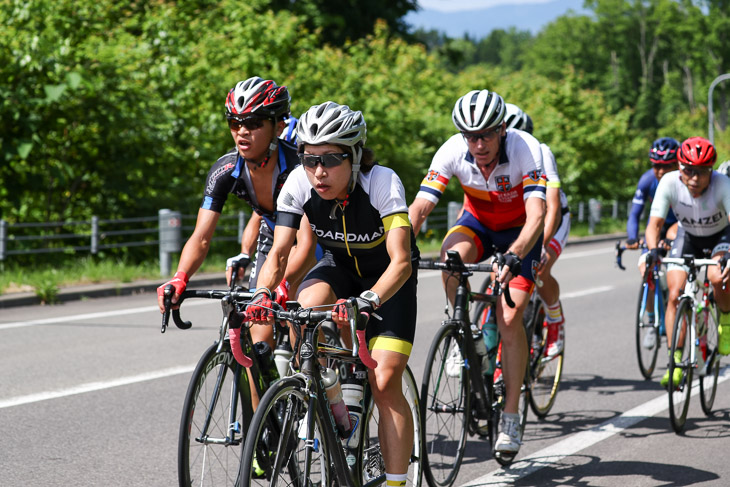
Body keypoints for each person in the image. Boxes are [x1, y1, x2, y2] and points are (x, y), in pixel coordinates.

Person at [247, 102, 419, 487]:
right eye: (310, 159)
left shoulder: (382, 182)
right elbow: (278, 253)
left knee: (385, 378)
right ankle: (332, 396)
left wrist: (369, 300)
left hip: (387, 280)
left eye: (331, 159)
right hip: (339, 270)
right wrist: (261, 293)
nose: (319, 172)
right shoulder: (299, 183)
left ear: (355, 156)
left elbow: (401, 261)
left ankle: (395, 481)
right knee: (302, 311)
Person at [409, 90, 546, 456]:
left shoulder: (525, 148)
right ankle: (464, 331)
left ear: (502, 129)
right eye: (471, 136)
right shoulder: (453, 149)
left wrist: (515, 255)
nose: (479, 143)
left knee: (509, 316)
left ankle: (512, 417)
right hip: (479, 224)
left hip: (521, 233)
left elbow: (537, 217)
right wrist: (399, 247)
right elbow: (421, 207)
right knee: (451, 256)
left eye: (486, 134)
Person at [156, 76, 316, 346]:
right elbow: (201, 237)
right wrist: (180, 277)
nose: (242, 131)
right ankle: (265, 388)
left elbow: (307, 245)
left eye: (254, 124)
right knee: (257, 335)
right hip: (273, 237)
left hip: (311, 242)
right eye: (235, 123)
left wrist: (284, 285)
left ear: (278, 127)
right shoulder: (225, 171)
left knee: (298, 329)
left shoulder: (299, 169)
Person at [645, 136, 730, 388]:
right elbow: (654, 226)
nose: (694, 178)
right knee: (674, 294)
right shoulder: (669, 182)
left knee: (717, 277)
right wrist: (652, 250)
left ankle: (725, 318)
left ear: (711, 171)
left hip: (721, 237)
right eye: (689, 171)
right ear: (680, 168)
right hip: (688, 236)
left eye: (702, 172)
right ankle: (676, 360)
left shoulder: (723, 184)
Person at [504, 102, 570, 357]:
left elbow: (550, 207)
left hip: (553, 217)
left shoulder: (541, 152)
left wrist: (542, 245)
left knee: (541, 266)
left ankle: (555, 318)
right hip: (520, 219)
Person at [625, 137, 679, 348]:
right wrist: (631, 236)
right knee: (647, 270)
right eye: (656, 165)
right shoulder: (647, 180)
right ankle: (650, 322)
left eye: (665, 166)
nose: (660, 171)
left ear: (676, 165)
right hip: (656, 226)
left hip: (678, 226)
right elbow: (634, 214)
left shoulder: (684, 180)